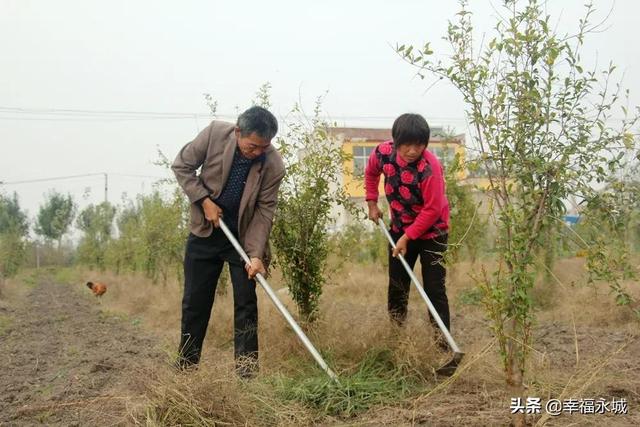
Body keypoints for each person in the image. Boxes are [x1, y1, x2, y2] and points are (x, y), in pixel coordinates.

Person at [171, 106, 285, 377]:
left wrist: (256, 254)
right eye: (252, 146)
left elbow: (264, 211)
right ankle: (187, 367)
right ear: (237, 132)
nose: (257, 152)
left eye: (264, 147)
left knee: (246, 303)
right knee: (195, 302)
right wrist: (204, 201)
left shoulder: (273, 164)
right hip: (205, 231)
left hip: (243, 238)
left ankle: (246, 374)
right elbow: (182, 166)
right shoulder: (213, 134)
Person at [364, 113, 451, 347]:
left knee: (434, 288)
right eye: (407, 145)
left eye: (419, 145)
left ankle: (442, 344)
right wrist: (372, 202)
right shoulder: (383, 153)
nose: (413, 151)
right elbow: (371, 172)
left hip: (434, 233)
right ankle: (396, 339)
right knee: (398, 285)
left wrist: (408, 237)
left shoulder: (430, 167)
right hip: (399, 226)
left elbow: (432, 209)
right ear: (396, 141)